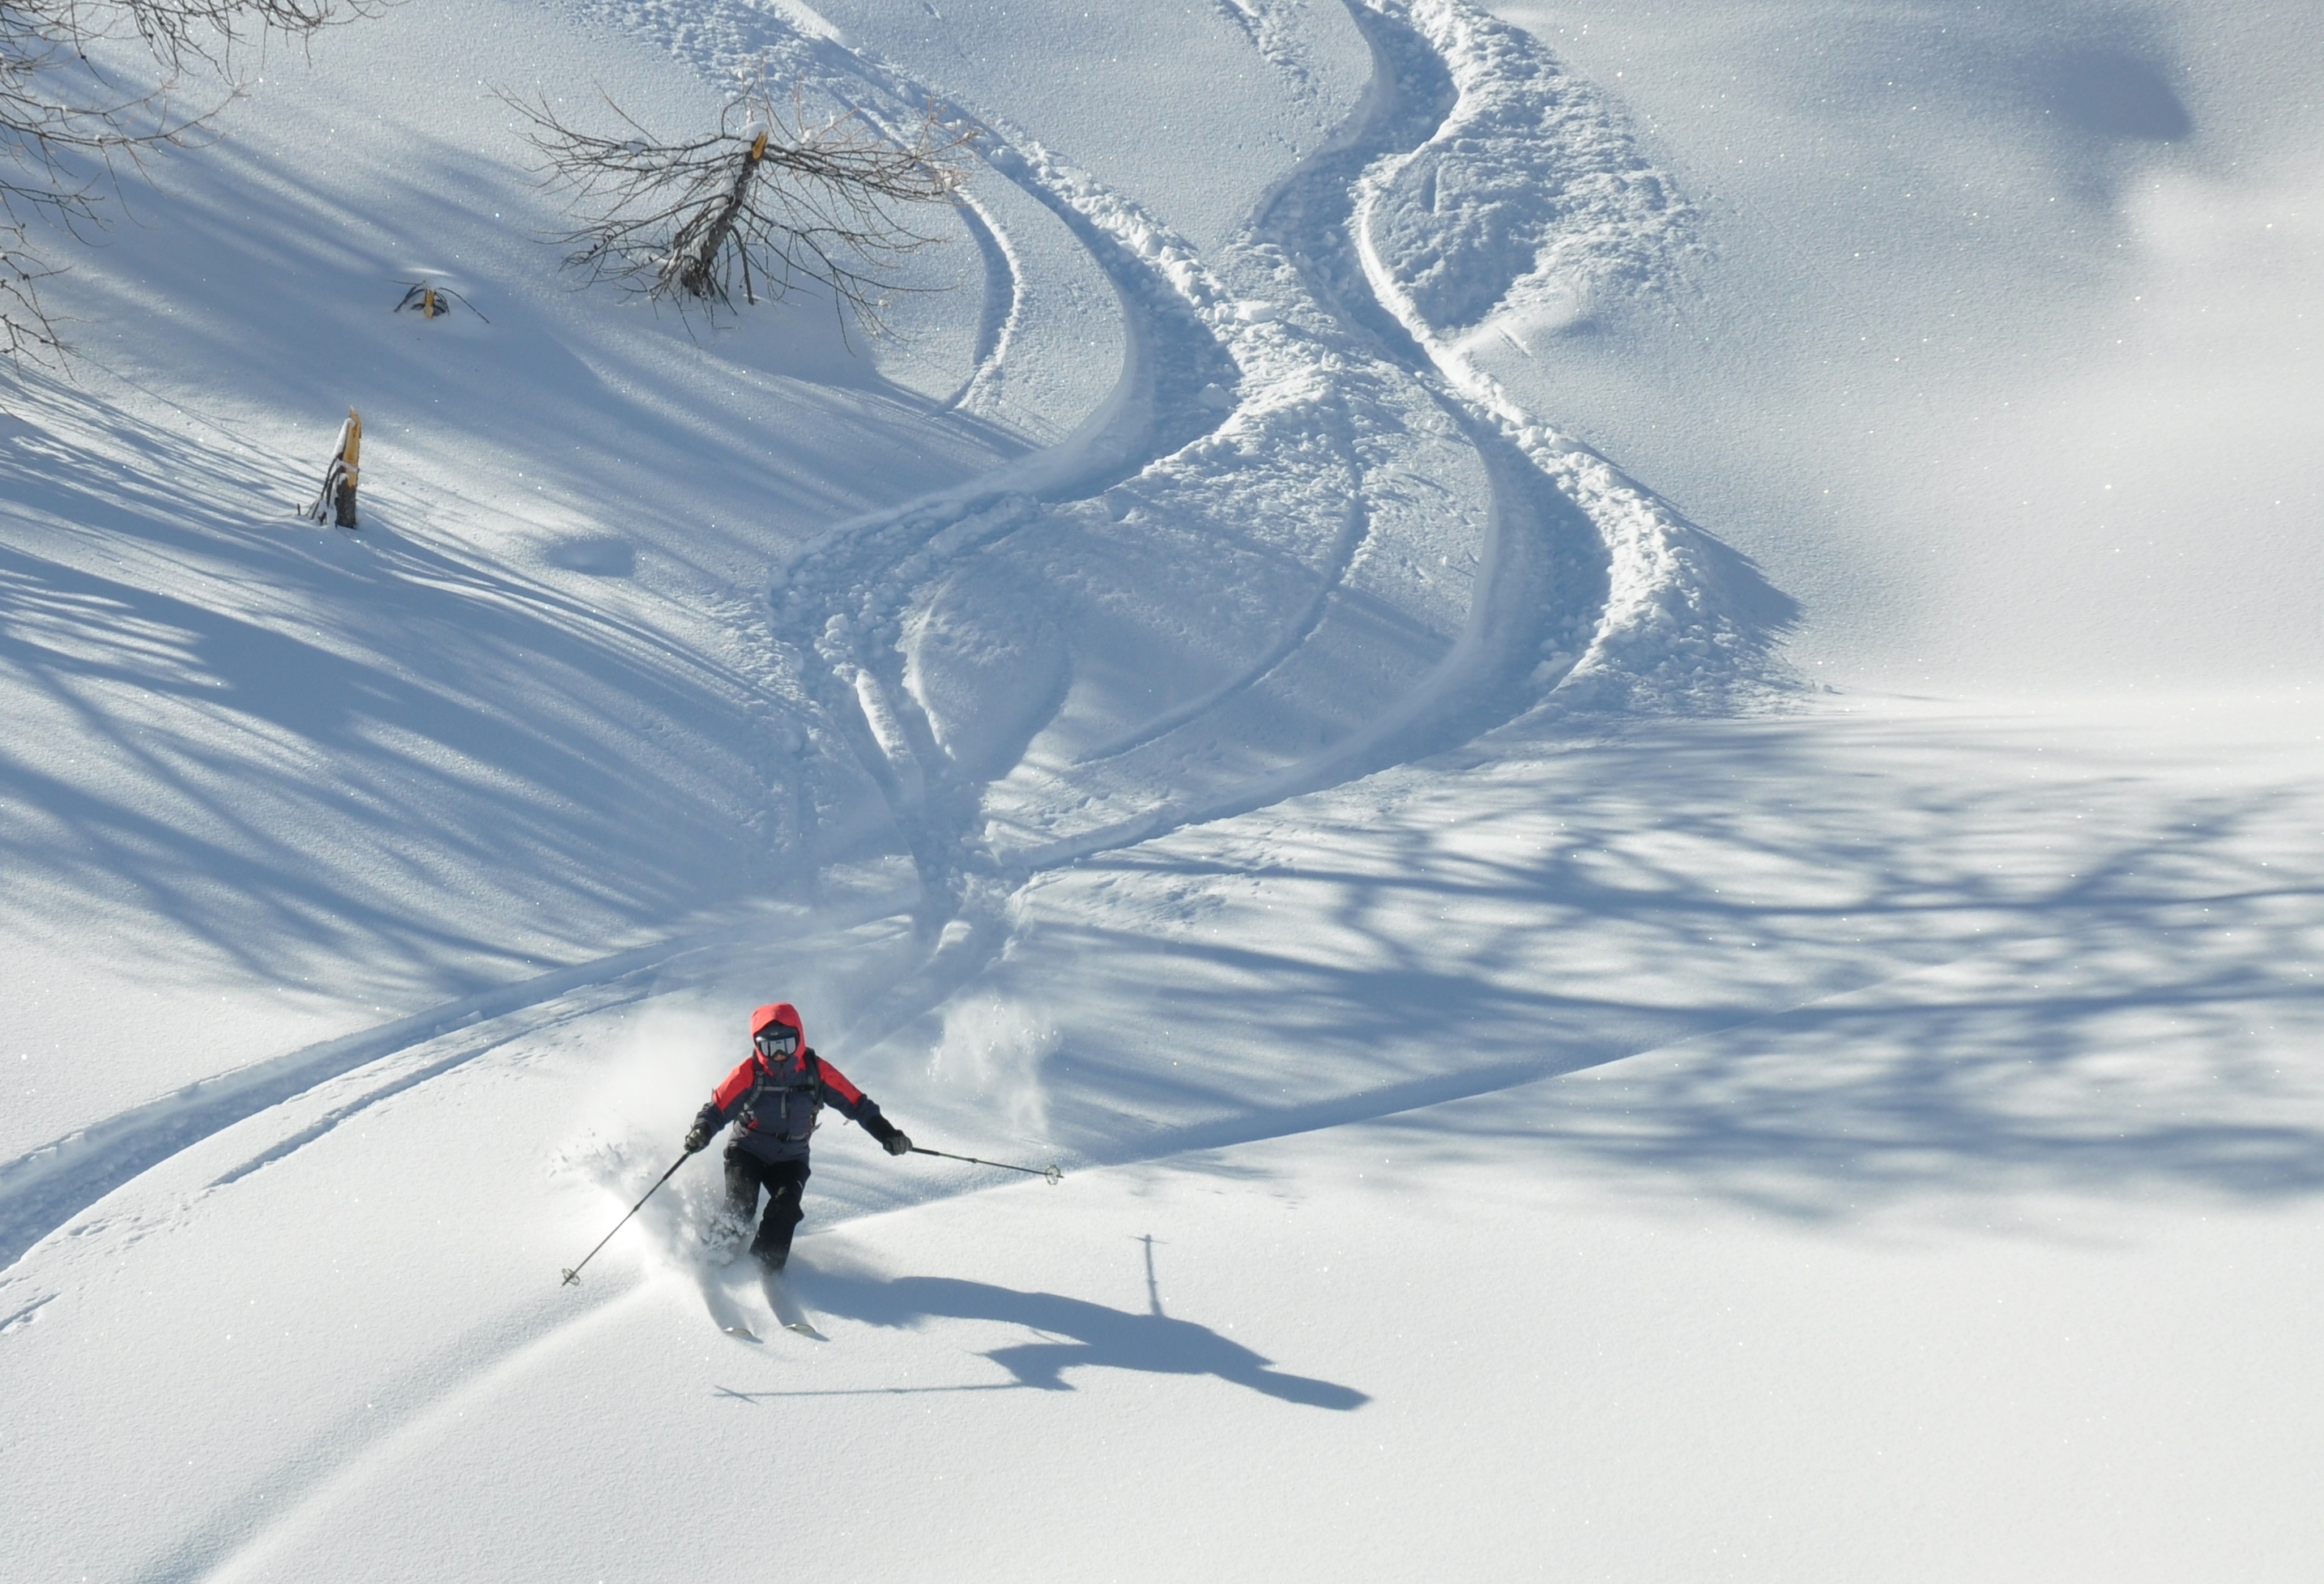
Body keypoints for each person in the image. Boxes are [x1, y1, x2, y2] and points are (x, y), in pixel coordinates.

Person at [684, 1001, 912, 1271]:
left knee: (786, 1208)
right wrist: (702, 1131)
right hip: (748, 1150)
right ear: (758, 1046)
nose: (779, 1054)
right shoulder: (748, 1073)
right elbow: (717, 1109)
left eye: (787, 1044)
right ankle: (709, 1258)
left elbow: (858, 1105)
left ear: (800, 1038)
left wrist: (887, 1134)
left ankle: (762, 1269)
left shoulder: (817, 1072)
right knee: (741, 1208)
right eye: (769, 1047)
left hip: (791, 1157)